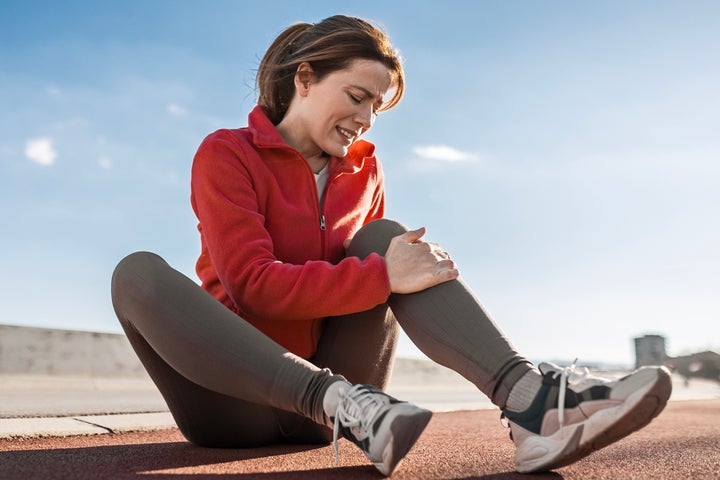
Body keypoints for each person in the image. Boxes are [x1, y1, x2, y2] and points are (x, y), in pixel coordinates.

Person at [111, 15, 672, 476]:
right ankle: (333, 398)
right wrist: (383, 277)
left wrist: (390, 269)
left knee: (384, 237)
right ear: (303, 79)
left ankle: (531, 402)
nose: (365, 119)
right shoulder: (228, 154)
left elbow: (374, 279)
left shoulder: (365, 173)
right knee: (135, 273)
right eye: (357, 96)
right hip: (238, 406)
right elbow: (252, 287)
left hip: (347, 411)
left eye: (376, 107)